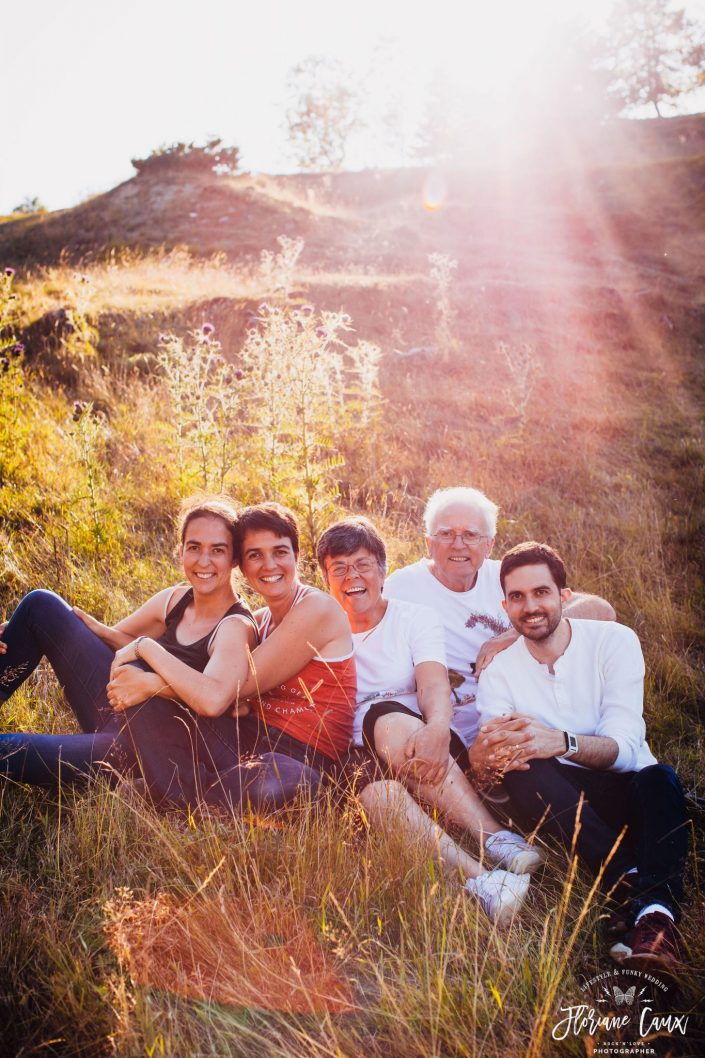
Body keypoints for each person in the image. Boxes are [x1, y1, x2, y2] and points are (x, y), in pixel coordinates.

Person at [476, 540, 689, 971]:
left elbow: (627, 749)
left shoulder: (614, 642)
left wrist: (562, 741)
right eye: (517, 597)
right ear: (505, 605)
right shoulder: (498, 672)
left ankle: (656, 922)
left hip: (630, 788)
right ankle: (631, 884)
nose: (530, 606)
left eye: (541, 593)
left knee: (660, 777)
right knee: (523, 770)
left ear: (564, 597)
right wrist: (492, 755)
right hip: (562, 802)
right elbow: (500, 756)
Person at [316, 516, 539, 926]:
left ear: (383, 572)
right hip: (359, 755)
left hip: (422, 739)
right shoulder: (316, 625)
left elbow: (433, 683)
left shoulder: (413, 617)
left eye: (363, 564)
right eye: (339, 569)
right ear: (325, 580)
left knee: (386, 718)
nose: (353, 577)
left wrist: (437, 727)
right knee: (376, 797)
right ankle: (486, 883)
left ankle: (496, 838)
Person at [111, 502, 357, 810]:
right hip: (249, 741)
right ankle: (179, 787)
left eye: (280, 552)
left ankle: (174, 792)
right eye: (255, 555)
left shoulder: (317, 608)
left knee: (287, 781)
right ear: (241, 564)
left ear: (297, 556)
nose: (269, 565)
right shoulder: (261, 620)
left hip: (303, 755)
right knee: (158, 697)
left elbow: (229, 691)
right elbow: (221, 693)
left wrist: (152, 674)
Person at [383, 486, 616, 782]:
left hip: (524, 719)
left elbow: (600, 609)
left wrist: (513, 634)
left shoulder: (506, 578)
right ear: (428, 543)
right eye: (445, 534)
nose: (458, 544)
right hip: (451, 730)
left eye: (471, 535)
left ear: (490, 544)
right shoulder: (401, 588)